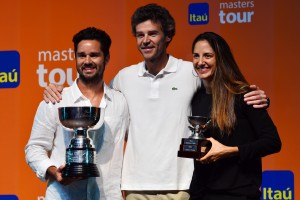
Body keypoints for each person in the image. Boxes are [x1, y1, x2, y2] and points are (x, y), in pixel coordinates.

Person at [42, 4, 270, 200]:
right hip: (135, 187)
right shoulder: (124, 77)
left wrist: (260, 97)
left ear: (168, 36)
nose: (145, 40)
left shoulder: (191, 72)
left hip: (182, 185)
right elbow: (95, 94)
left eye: (153, 33)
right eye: (140, 35)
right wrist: (61, 90)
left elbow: (223, 91)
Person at [25, 27, 129, 200]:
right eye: (81, 55)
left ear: (107, 58)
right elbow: (34, 148)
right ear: (75, 58)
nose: (87, 61)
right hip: (63, 195)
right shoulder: (55, 100)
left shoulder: (121, 102)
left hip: (107, 196)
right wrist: (54, 172)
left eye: (94, 55)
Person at [189, 32, 281, 200]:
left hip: (238, 194)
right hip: (201, 193)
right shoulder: (195, 97)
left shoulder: (243, 95)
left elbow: (272, 142)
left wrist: (229, 151)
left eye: (207, 56)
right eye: (196, 56)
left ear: (221, 58)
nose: (200, 62)